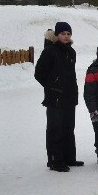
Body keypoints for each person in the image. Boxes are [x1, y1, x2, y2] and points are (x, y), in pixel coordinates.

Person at [34, 22, 82, 172]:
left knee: (68, 128)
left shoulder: (71, 51)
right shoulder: (50, 51)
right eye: (63, 34)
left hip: (69, 96)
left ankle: (69, 158)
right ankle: (55, 161)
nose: (66, 36)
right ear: (56, 35)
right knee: (55, 129)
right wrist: (52, 86)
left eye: (68, 34)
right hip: (55, 97)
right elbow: (39, 73)